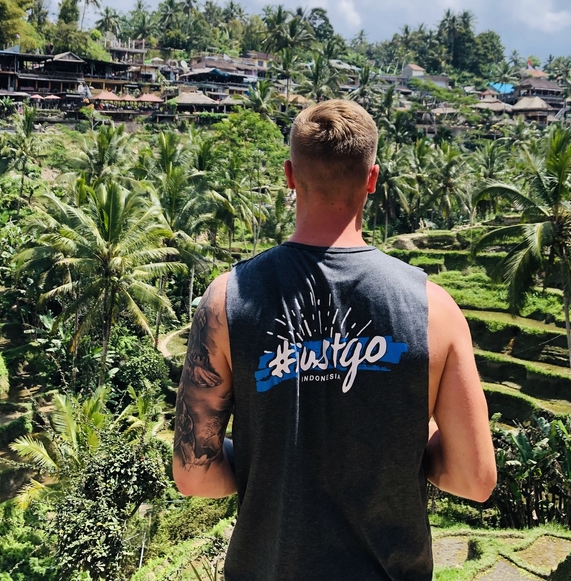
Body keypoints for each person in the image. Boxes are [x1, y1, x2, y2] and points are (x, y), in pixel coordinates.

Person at [173, 99, 496, 581]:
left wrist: (266, 456)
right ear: (372, 177)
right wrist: (411, 441)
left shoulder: (226, 300)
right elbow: (474, 479)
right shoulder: (436, 309)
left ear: (289, 175)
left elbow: (195, 475)